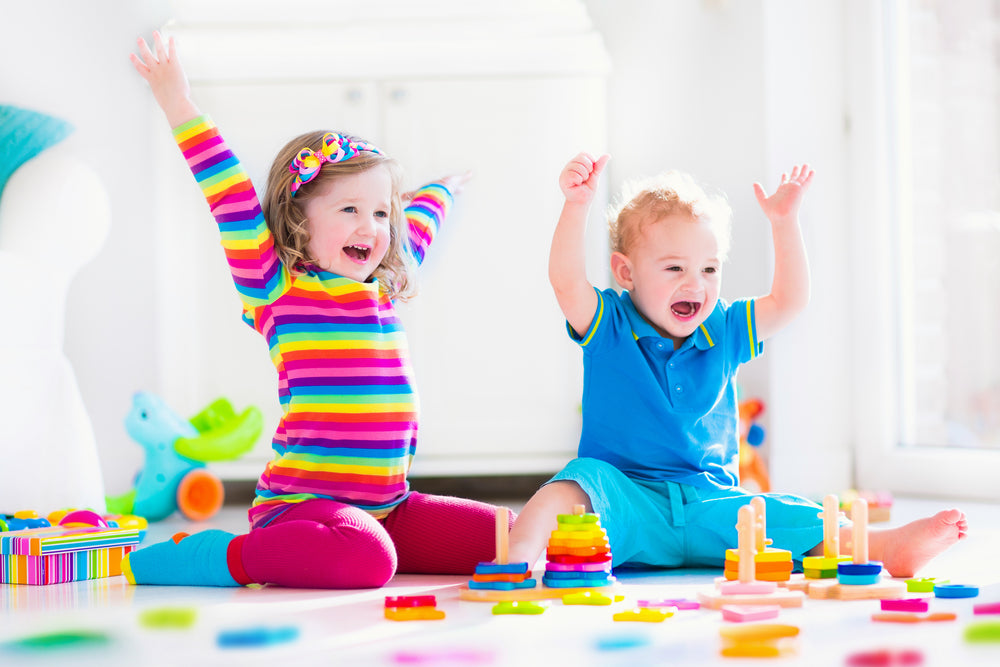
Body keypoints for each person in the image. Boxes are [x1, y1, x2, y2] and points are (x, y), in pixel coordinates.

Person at [122, 32, 511, 589]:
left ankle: (367, 541)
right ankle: (218, 557)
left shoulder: (384, 283)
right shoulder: (276, 286)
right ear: (299, 220)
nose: (371, 227)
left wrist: (443, 189)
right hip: (302, 506)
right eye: (350, 209)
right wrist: (177, 102)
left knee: (514, 534)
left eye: (379, 213)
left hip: (389, 508)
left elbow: (417, 222)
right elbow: (228, 193)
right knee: (369, 559)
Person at [506, 152, 967, 577]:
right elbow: (566, 282)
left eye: (709, 269)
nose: (696, 284)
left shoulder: (724, 327)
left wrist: (784, 223)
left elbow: (789, 301)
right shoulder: (609, 324)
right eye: (674, 269)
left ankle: (885, 548)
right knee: (570, 487)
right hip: (627, 501)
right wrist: (576, 206)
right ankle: (518, 558)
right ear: (626, 273)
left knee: (790, 515)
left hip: (713, 504)